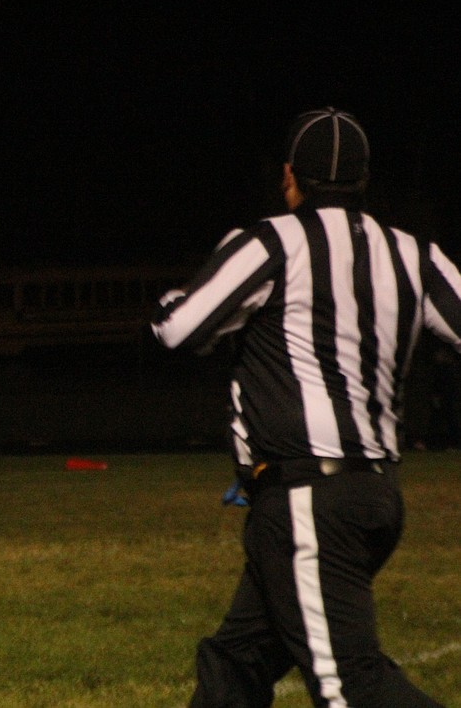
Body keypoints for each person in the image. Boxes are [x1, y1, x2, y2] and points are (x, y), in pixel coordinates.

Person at [151, 108, 449, 706]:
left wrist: (183, 291)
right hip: (372, 496)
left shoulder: (272, 242)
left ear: (290, 175)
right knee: (234, 664)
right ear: (363, 179)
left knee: (349, 684)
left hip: (310, 496)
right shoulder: (412, 254)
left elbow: (178, 329)